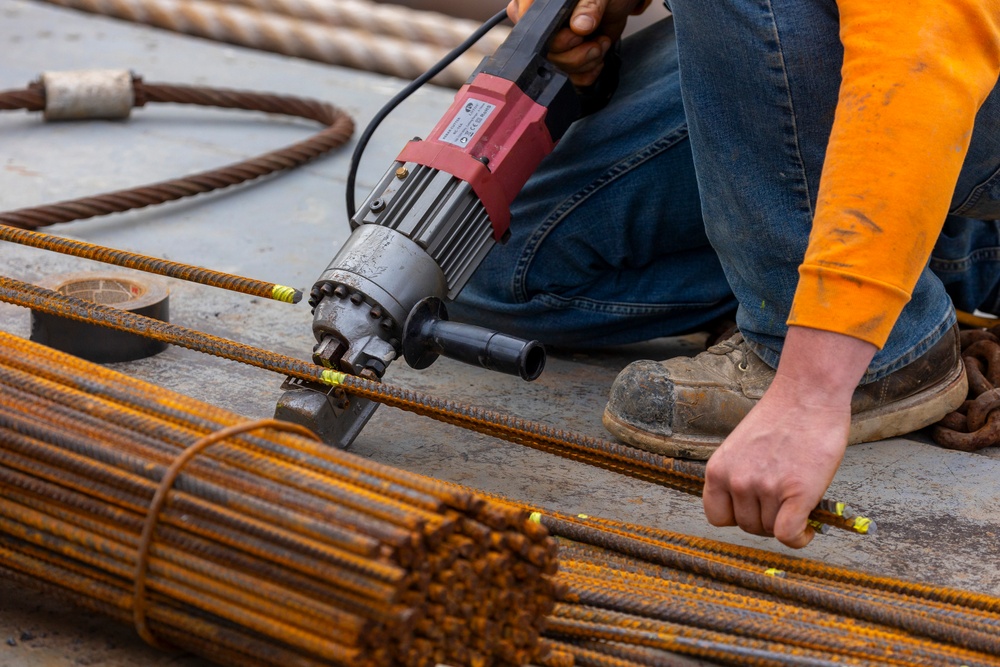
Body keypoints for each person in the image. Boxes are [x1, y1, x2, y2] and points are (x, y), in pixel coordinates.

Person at [451, 0, 1000, 548]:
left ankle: (869, 335)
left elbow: (923, 48)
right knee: (496, 260)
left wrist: (810, 388)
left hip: (937, 56)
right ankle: (927, 242)